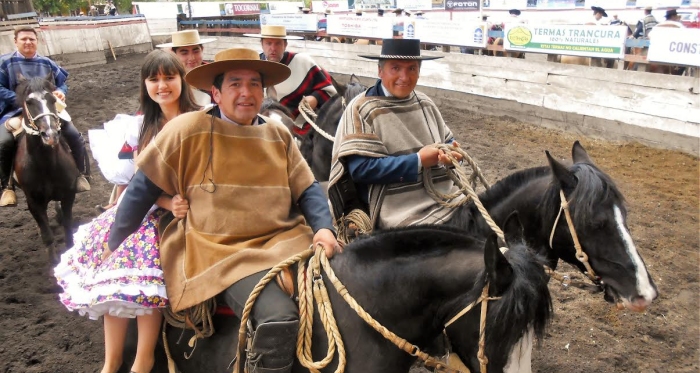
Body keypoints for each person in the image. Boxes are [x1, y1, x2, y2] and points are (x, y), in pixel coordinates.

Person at [106, 48, 339, 373]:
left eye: (255, 84)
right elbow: (140, 191)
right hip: (221, 251)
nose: (246, 93)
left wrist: (324, 228)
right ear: (215, 92)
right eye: (235, 84)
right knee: (278, 319)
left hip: (286, 239)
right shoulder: (185, 130)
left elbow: (308, 187)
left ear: (264, 91)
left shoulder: (278, 133)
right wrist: (114, 243)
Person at [54, 49, 200, 373]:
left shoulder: (199, 119)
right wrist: (165, 203)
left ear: (182, 81)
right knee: (116, 261)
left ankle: (144, 357)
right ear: (145, 84)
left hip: (189, 211)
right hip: (155, 208)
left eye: (169, 77)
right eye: (154, 79)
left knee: (145, 260)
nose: (162, 85)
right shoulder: (145, 125)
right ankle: (111, 361)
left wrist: (177, 203)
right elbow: (141, 183)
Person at [327, 39, 464, 231]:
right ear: (380, 71)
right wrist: (417, 161)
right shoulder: (361, 109)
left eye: (412, 69)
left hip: (445, 197)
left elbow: (448, 140)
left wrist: (452, 155)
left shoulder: (425, 103)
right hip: (397, 210)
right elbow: (360, 170)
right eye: (396, 68)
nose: (404, 77)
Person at [0, 26, 90, 207]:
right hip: (16, 111)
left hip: (47, 111)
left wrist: (61, 93)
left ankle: (81, 174)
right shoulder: (5, 63)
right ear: (15, 41)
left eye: (31, 39)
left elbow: (62, 84)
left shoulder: (47, 63)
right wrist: (23, 101)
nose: (28, 42)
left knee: (74, 135)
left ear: (37, 41)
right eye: (24, 39)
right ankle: (7, 186)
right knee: (3, 142)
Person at [243, 25, 336, 137]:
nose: (273, 48)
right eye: (268, 43)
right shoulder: (253, 66)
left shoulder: (303, 62)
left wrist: (315, 97)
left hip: (299, 126)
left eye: (278, 43)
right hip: (257, 125)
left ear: (285, 45)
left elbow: (330, 90)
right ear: (262, 45)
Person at [156, 29, 216, 106]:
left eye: (196, 51)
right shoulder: (166, 78)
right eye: (184, 53)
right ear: (174, 54)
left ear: (202, 50)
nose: (191, 58)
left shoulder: (214, 74)